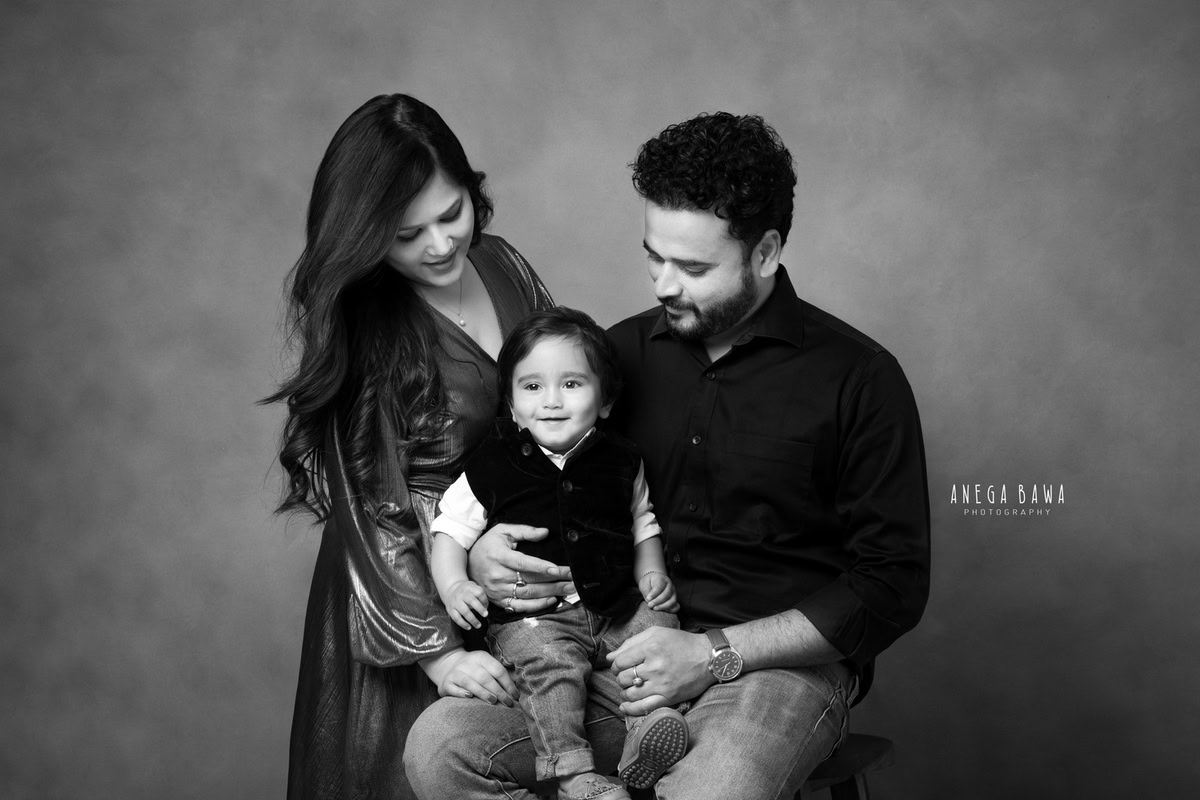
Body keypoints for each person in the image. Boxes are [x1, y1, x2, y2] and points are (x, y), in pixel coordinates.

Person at [405, 110, 930, 800]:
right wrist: (479, 555)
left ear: (766, 252)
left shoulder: (859, 378)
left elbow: (890, 586)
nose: (663, 285)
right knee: (440, 746)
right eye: (654, 256)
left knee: (708, 793)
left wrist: (711, 654)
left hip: (771, 676)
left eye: (692, 267)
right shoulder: (610, 359)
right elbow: (516, 472)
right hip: (604, 660)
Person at [265, 93, 569, 800]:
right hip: (404, 599)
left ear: (473, 192)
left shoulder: (505, 266)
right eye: (406, 235)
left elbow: (562, 393)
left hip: (516, 580)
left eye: (451, 213)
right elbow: (374, 509)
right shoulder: (366, 326)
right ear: (366, 236)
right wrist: (437, 657)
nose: (439, 245)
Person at [429, 307, 689, 800]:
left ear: (606, 400)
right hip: (536, 620)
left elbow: (641, 521)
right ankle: (573, 776)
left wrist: (652, 572)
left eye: (571, 384)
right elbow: (450, 531)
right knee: (551, 671)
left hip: (615, 603)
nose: (551, 401)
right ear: (509, 401)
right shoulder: (491, 464)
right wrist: (454, 584)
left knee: (654, 634)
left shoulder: (621, 459)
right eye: (532, 387)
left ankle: (647, 733)